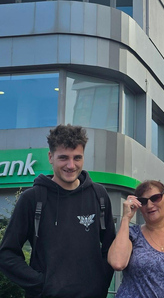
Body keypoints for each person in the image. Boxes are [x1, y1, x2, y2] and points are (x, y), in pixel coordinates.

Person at [0, 124, 116, 298]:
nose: (71, 165)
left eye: (77, 158)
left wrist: (100, 283)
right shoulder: (32, 199)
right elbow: (7, 254)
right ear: (50, 157)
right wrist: (41, 284)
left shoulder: (98, 195)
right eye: (63, 158)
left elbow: (110, 248)